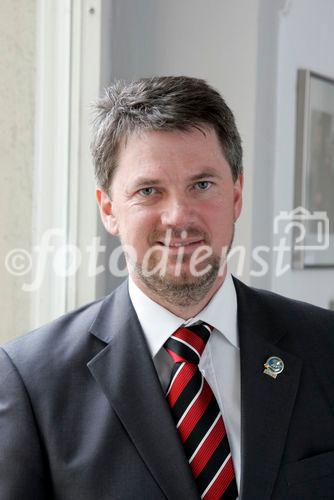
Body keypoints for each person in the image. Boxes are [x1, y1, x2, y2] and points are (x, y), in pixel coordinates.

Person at [1, 76, 334, 500]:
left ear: (236, 195)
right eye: (148, 191)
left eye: (202, 185)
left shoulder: (325, 346)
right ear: (109, 209)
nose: (179, 216)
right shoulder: (30, 380)